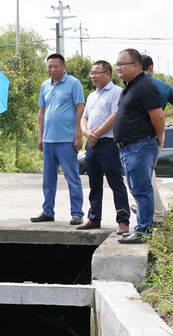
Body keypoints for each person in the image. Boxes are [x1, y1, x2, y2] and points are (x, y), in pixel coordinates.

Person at [114, 49, 165, 244]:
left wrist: (160, 137)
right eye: (117, 64)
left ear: (136, 66)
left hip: (140, 146)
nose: (118, 67)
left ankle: (144, 231)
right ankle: (141, 229)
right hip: (129, 148)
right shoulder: (130, 86)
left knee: (142, 191)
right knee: (137, 190)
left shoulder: (144, 86)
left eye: (122, 64)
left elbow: (158, 117)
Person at [32, 53, 86, 225]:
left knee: (72, 177)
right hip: (48, 141)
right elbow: (42, 111)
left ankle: (77, 213)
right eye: (50, 66)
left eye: (56, 66)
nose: (52, 69)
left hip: (67, 140)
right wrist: (40, 136)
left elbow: (80, 109)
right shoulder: (45, 85)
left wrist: (78, 135)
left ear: (63, 67)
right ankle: (48, 211)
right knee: (48, 179)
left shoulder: (74, 83)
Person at [77, 61, 131, 233]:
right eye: (91, 73)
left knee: (116, 183)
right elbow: (84, 117)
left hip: (109, 144)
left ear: (108, 74)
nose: (93, 76)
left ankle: (123, 221)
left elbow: (115, 116)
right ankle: (94, 218)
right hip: (92, 145)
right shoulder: (92, 95)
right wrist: (86, 133)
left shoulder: (117, 92)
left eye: (96, 73)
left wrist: (96, 134)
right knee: (94, 183)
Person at [141, 55, 173, 224]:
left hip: (140, 134)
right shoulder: (164, 87)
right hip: (158, 132)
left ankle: (158, 212)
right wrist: (164, 114)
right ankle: (151, 209)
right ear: (151, 68)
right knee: (147, 172)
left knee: (145, 174)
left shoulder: (134, 85)